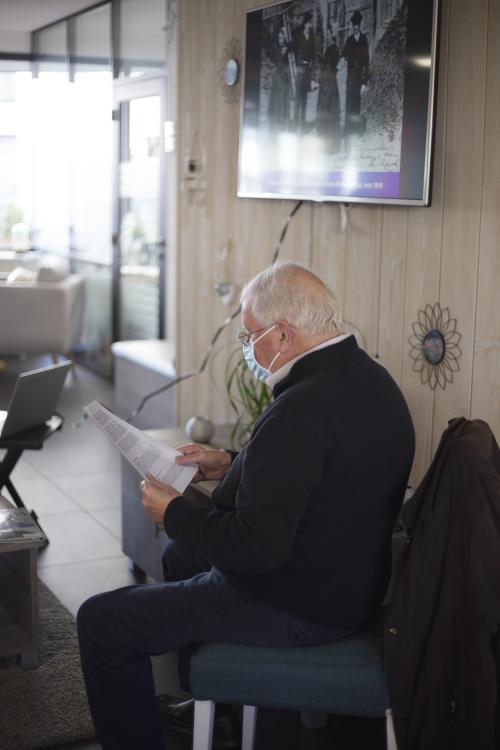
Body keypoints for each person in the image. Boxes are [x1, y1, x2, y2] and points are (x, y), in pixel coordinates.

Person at [77, 261, 415, 750]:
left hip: (300, 603)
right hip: (353, 581)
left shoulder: (299, 409)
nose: (246, 349)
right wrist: (229, 462)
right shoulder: (371, 381)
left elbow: (255, 548)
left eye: (248, 335)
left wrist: (171, 511)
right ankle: (217, 711)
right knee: (180, 557)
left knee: (102, 621)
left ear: (281, 335)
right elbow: (318, 472)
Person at [341, 9, 369, 137]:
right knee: (349, 103)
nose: (355, 27)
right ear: (352, 26)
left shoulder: (364, 40)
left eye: (357, 25)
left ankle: (357, 129)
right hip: (350, 78)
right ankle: (348, 129)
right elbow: (343, 55)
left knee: (357, 104)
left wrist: (365, 81)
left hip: (359, 78)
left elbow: (367, 62)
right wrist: (341, 60)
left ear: (360, 26)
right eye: (353, 25)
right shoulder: (349, 40)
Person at [316, 24, 341, 151]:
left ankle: (330, 145)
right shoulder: (329, 49)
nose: (326, 36)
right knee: (326, 112)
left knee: (329, 112)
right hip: (327, 83)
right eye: (325, 34)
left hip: (329, 85)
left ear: (332, 35)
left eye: (328, 34)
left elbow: (331, 68)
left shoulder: (333, 49)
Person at [291, 11, 316, 128]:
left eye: (311, 23)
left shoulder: (311, 38)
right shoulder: (298, 36)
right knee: (298, 97)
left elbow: (313, 54)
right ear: (306, 23)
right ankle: (296, 122)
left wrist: (311, 65)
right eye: (309, 23)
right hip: (299, 68)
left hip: (307, 70)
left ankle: (302, 122)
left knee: (305, 97)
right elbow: (293, 48)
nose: (311, 25)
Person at [267, 27, 291, 127]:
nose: (279, 40)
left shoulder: (287, 48)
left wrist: (286, 49)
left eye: (281, 38)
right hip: (277, 74)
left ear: (284, 38)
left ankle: (281, 117)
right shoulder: (277, 49)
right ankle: (275, 116)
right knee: (276, 96)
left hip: (284, 75)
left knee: (282, 96)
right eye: (278, 38)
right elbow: (273, 58)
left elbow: (291, 48)